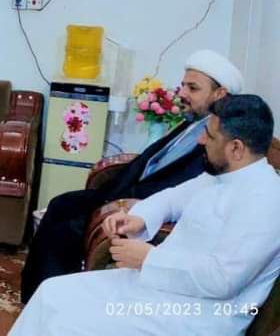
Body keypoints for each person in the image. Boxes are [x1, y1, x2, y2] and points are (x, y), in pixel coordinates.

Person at [10, 94, 280, 335]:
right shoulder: (221, 176)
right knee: (51, 293)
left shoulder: (265, 201)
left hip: (200, 315)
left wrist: (148, 258)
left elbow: (222, 280)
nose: (200, 141)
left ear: (236, 148)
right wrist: (139, 218)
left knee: (67, 324)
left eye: (208, 136)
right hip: (163, 288)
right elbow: (172, 198)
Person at [21, 49, 243, 302]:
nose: (182, 93)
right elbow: (149, 161)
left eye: (192, 88)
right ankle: (36, 295)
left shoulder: (218, 140)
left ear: (220, 94)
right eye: (183, 85)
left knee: (66, 226)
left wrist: (125, 202)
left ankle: (54, 299)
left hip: (139, 204)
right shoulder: (192, 122)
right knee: (61, 204)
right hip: (125, 192)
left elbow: (179, 188)